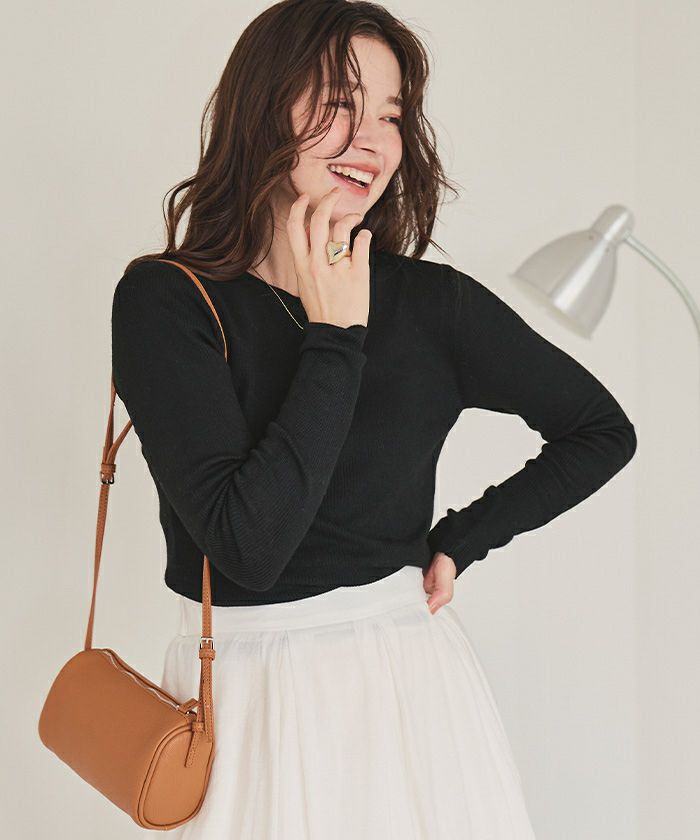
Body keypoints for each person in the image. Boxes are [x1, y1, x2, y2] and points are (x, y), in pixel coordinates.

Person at [111, 1, 637, 837]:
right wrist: (334, 337)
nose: (372, 140)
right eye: (338, 104)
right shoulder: (169, 302)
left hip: (409, 688)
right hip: (245, 697)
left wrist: (460, 540)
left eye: (390, 115)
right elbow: (249, 550)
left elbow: (601, 430)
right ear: (262, 109)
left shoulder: (433, 304)